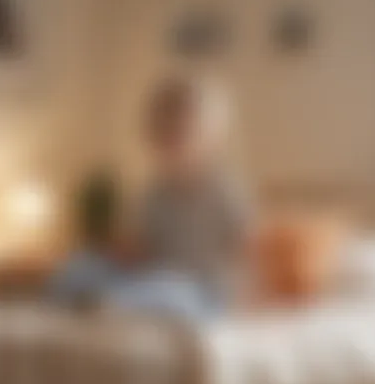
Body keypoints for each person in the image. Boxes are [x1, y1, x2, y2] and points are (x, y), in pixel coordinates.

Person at [48, 74, 251, 319]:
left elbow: (245, 249)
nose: (171, 143)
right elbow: (141, 248)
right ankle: (70, 301)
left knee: (167, 291)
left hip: (200, 291)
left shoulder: (224, 190)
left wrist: (247, 299)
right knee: (84, 265)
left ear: (210, 138)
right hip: (151, 275)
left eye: (180, 133)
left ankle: (109, 304)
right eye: (163, 134)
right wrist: (116, 251)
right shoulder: (155, 191)